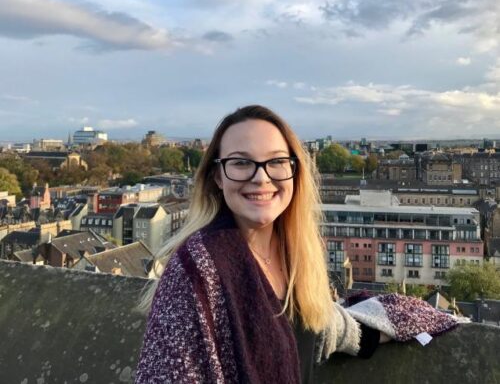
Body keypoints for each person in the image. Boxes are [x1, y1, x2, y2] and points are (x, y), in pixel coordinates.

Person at [135, 105, 460, 383]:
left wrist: (401, 319)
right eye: (241, 162)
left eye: (276, 161)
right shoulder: (195, 269)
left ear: (294, 171)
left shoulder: (297, 256)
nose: (261, 177)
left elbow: (323, 329)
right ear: (217, 177)